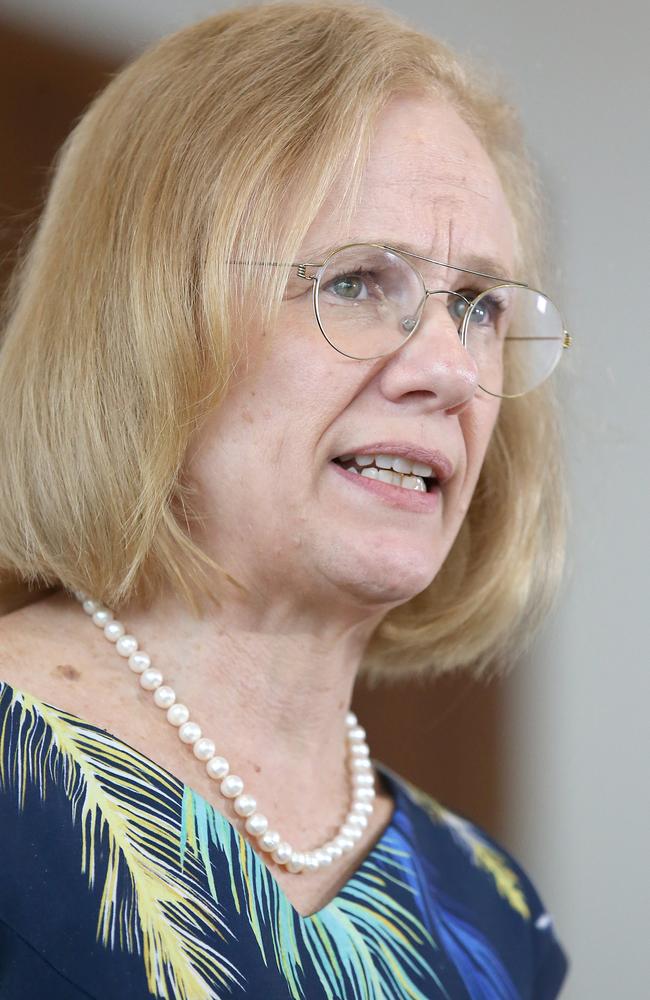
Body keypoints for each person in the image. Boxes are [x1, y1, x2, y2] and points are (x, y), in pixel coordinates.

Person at [0, 2, 571, 997]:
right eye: (357, 280)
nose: (448, 367)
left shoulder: (494, 914)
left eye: (476, 307)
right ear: (148, 322)